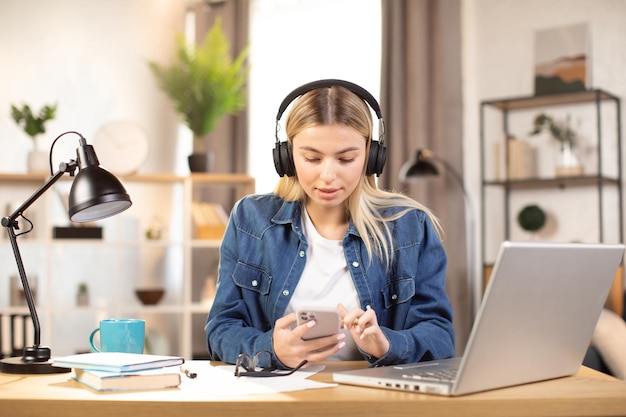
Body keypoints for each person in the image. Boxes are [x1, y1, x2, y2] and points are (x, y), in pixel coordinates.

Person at [205, 79, 455, 370]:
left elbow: (440, 337)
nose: (327, 176)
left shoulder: (409, 226)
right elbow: (220, 329)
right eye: (311, 157)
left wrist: (387, 345)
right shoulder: (250, 219)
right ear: (286, 158)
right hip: (278, 397)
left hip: (375, 399)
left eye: (346, 158)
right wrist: (271, 349)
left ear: (371, 157)